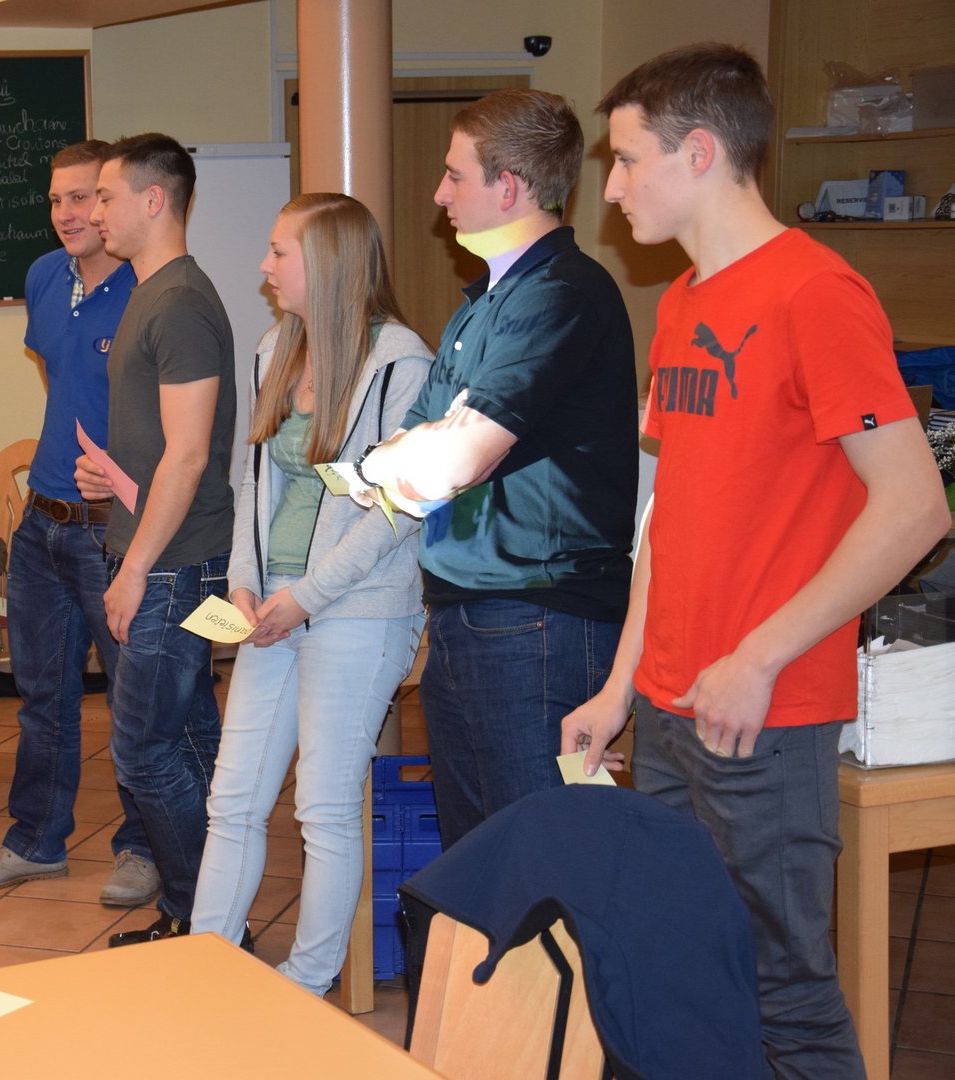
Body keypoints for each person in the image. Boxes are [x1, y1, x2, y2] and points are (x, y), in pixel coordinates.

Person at [565, 43, 949, 1077]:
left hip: (762, 713)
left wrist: (761, 655)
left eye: (626, 160)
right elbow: (668, 521)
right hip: (670, 700)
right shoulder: (682, 304)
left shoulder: (815, 293)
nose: (612, 188)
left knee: (785, 992)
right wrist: (619, 688)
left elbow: (916, 508)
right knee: (677, 971)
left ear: (699, 152)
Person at [358, 89, 637, 848]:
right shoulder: (482, 304)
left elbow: (450, 463)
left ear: (508, 186)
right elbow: (391, 455)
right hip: (465, 613)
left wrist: (430, 455)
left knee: (542, 855)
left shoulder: (562, 295)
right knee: (478, 856)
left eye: (455, 175)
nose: (438, 194)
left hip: (538, 619)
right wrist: (421, 455)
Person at [190, 193, 433, 993]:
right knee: (232, 800)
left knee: (324, 809)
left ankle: (307, 982)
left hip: (359, 608)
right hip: (272, 605)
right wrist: (245, 582)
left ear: (327, 263)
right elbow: (252, 483)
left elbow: (397, 510)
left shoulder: (401, 362)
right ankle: (203, 969)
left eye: (279, 252)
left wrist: (307, 597)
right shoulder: (274, 350)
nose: (263, 267)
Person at [0, 141, 160, 905]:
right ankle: (35, 842)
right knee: (43, 697)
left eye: (83, 198)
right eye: (56, 199)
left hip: (115, 530)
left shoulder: (149, 287)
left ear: (111, 203)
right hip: (42, 523)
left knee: (135, 700)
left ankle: (144, 848)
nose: (67, 214)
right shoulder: (44, 276)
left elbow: (175, 423)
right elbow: (56, 372)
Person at [75, 132, 237, 945]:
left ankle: (194, 918)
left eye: (106, 196)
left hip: (173, 568)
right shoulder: (149, 293)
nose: (94, 211)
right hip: (163, 556)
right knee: (191, 739)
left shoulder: (177, 303)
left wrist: (134, 567)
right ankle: (215, 918)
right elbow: (164, 449)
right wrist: (114, 477)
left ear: (153, 200)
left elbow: (192, 453)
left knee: (144, 752)